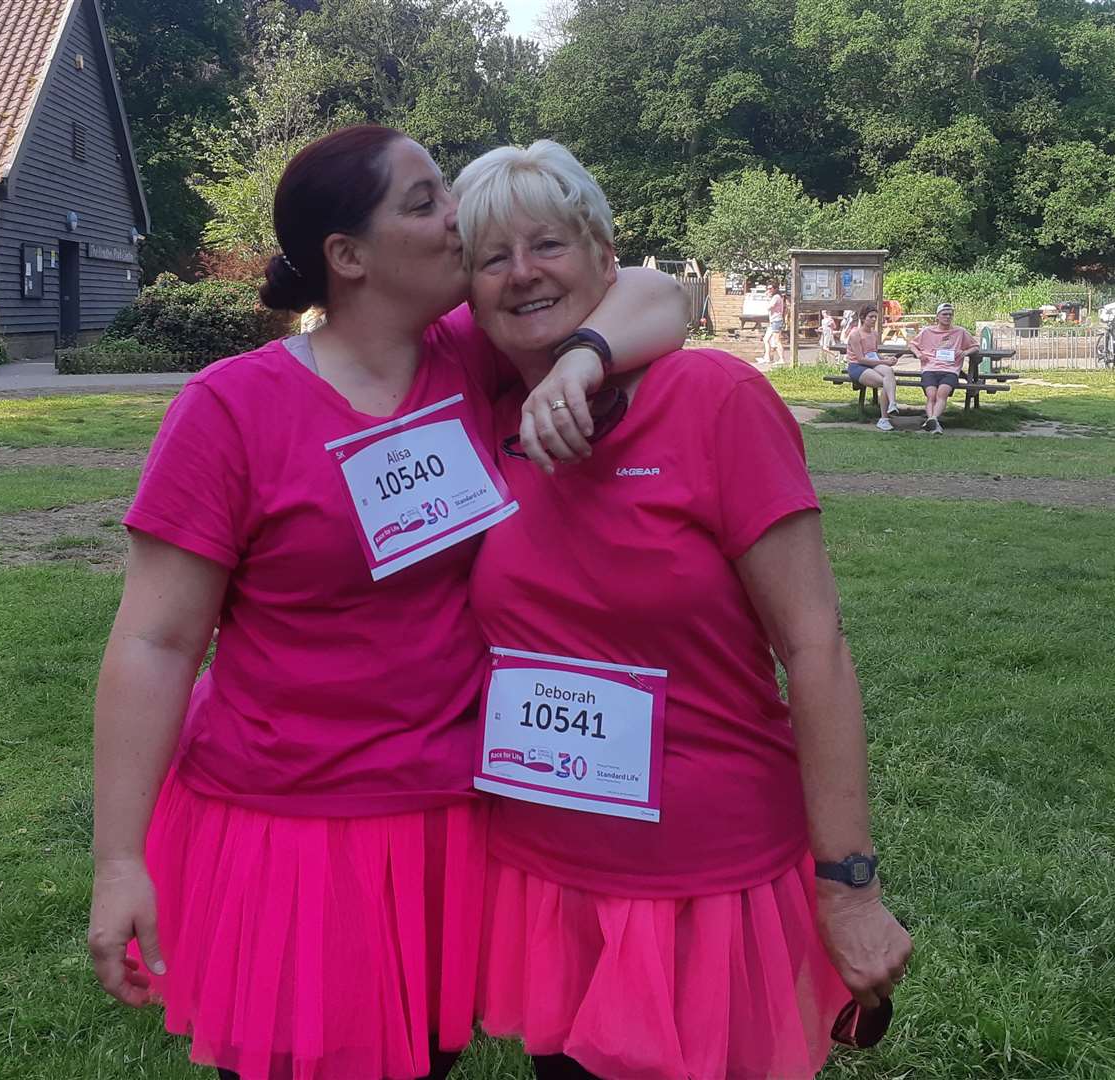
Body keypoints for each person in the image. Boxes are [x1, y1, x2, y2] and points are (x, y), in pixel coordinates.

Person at [85, 124, 689, 1080]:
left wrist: (580, 356)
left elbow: (660, 295)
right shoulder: (229, 409)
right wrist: (119, 860)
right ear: (348, 257)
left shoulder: (470, 357)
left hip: (453, 816)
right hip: (293, 828)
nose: (457, 219)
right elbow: (157, 643)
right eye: (423, 202)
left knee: (427, 1058)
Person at [454, 140, 912, 1080]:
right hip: (546, 867)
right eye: (492, 257)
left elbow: (813, 646)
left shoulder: (712, 398)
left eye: (548, 245)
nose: (522, 273)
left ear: (603, 260)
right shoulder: (479, 409)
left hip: (704, 873)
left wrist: (849, 885)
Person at [907, 302, 977, 434]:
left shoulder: (960, 332)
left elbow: (975, 346)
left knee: (942, 393)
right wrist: (919, 354)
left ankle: (932, 419)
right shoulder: (927, 331)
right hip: (930, 368)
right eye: (944, 314)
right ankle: (934, 423)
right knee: (931, 395)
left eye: (950, 314)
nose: (948, 317)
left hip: (950, 370)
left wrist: (965, 353)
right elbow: (912, 344)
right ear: (937, 317)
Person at [845, 306, 900, 432]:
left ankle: (892, 404)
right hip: (857, 366)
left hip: (873, 363)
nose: (874, 319)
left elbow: (874, 353)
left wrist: (887, 359)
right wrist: (884, 361)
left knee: (889, 372)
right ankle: (884, 419)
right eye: (871, 317)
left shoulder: (874, 333)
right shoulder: (855, 335)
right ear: (863, 318)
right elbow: (861, 359)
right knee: (886, 381)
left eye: (875, 317)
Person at [762, 284, 786, 364]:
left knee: (777, 340)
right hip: (772, 321)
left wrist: (767, 298)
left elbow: (770, 306)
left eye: (770, 288)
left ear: (775, 289)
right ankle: (767, 357)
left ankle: (782, 359)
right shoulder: (774, 297)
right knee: (766, 339)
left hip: (776, 321)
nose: (768, 290)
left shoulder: (776, 297)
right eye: (767, 288)